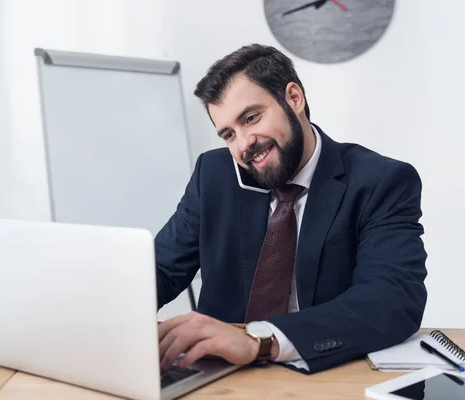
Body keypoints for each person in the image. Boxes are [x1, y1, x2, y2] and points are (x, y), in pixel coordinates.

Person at [155, 44, 427, 374]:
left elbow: (392, 298)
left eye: (251, 118)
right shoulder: (213, 175)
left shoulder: (380, 181)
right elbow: (160, 270)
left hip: (323, 375)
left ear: (294, 98)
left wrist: (262, 342)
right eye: (228, 133)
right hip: (219, 375)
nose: (243, 144)